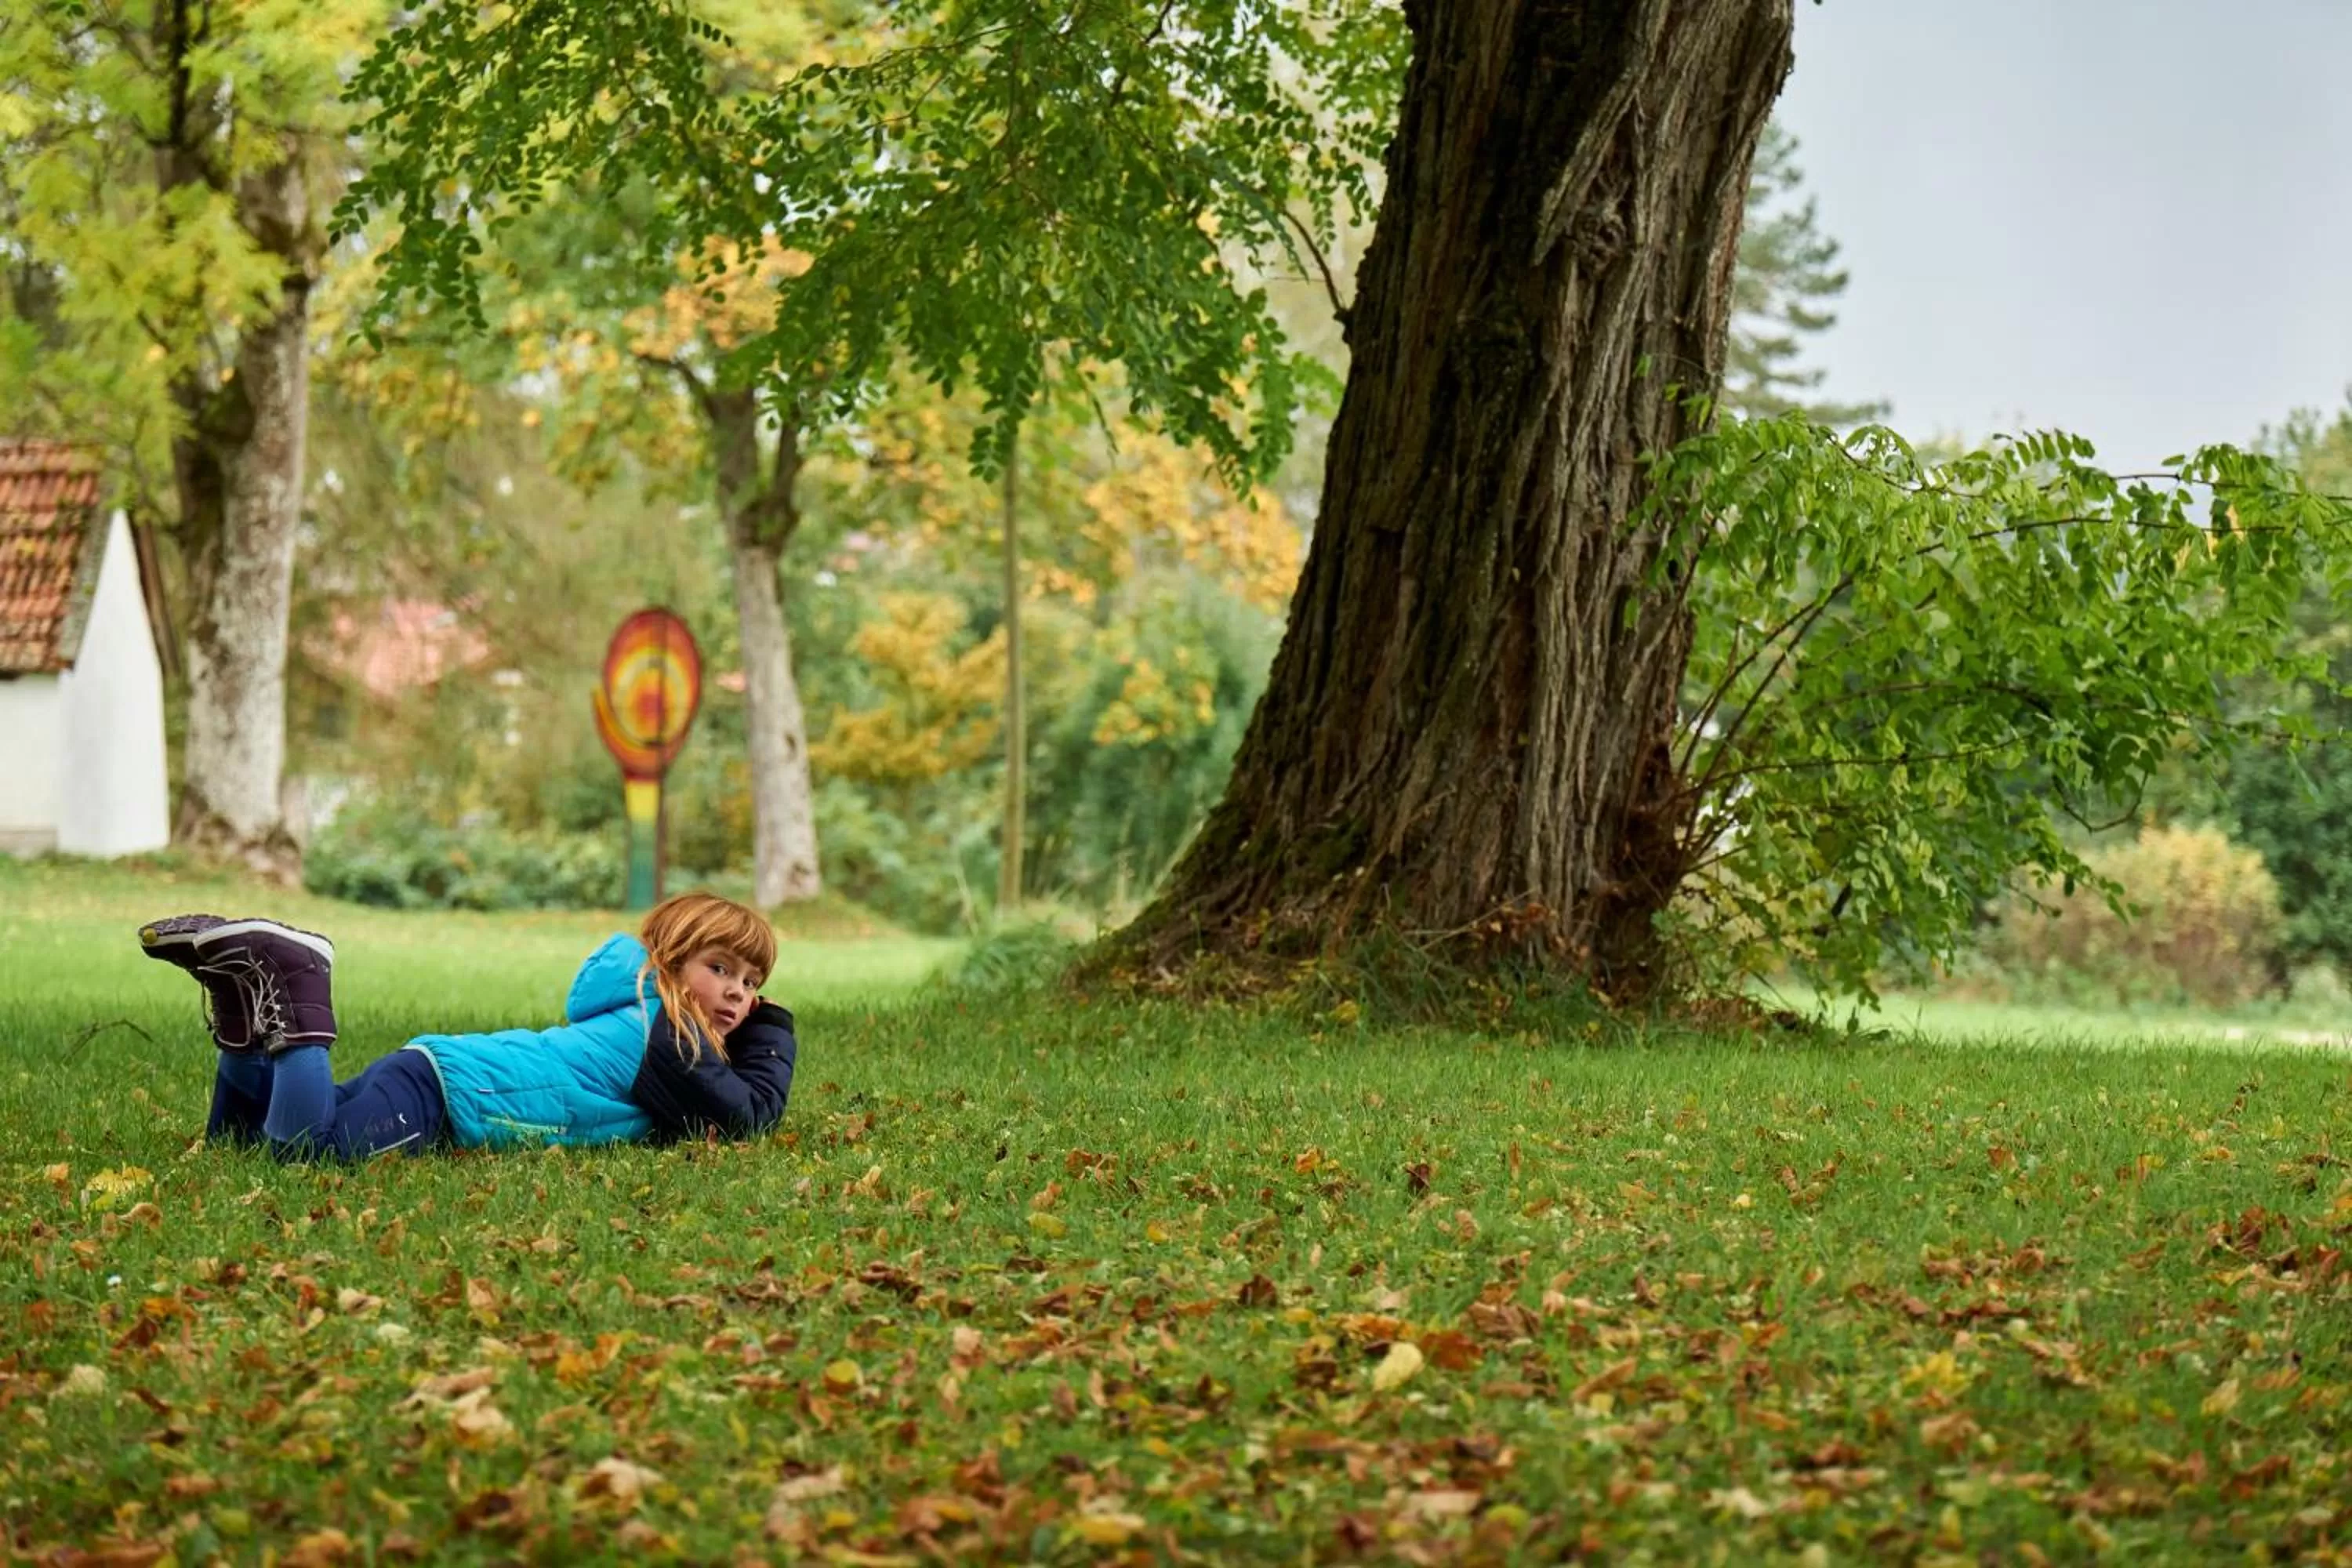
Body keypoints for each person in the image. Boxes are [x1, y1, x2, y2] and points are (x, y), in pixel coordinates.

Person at [139, 891, 797, 1160]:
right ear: (671, 963)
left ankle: (241, 1003)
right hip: (449, 1096)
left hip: (435, 1072)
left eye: (752, 983)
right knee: (307, 1152)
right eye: (720, 968)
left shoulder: (639, 1015)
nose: (738, 993)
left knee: (241, 1145)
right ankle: (298, 985)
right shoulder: (667, 1035)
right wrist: (770, 1029)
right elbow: (747, 1117)